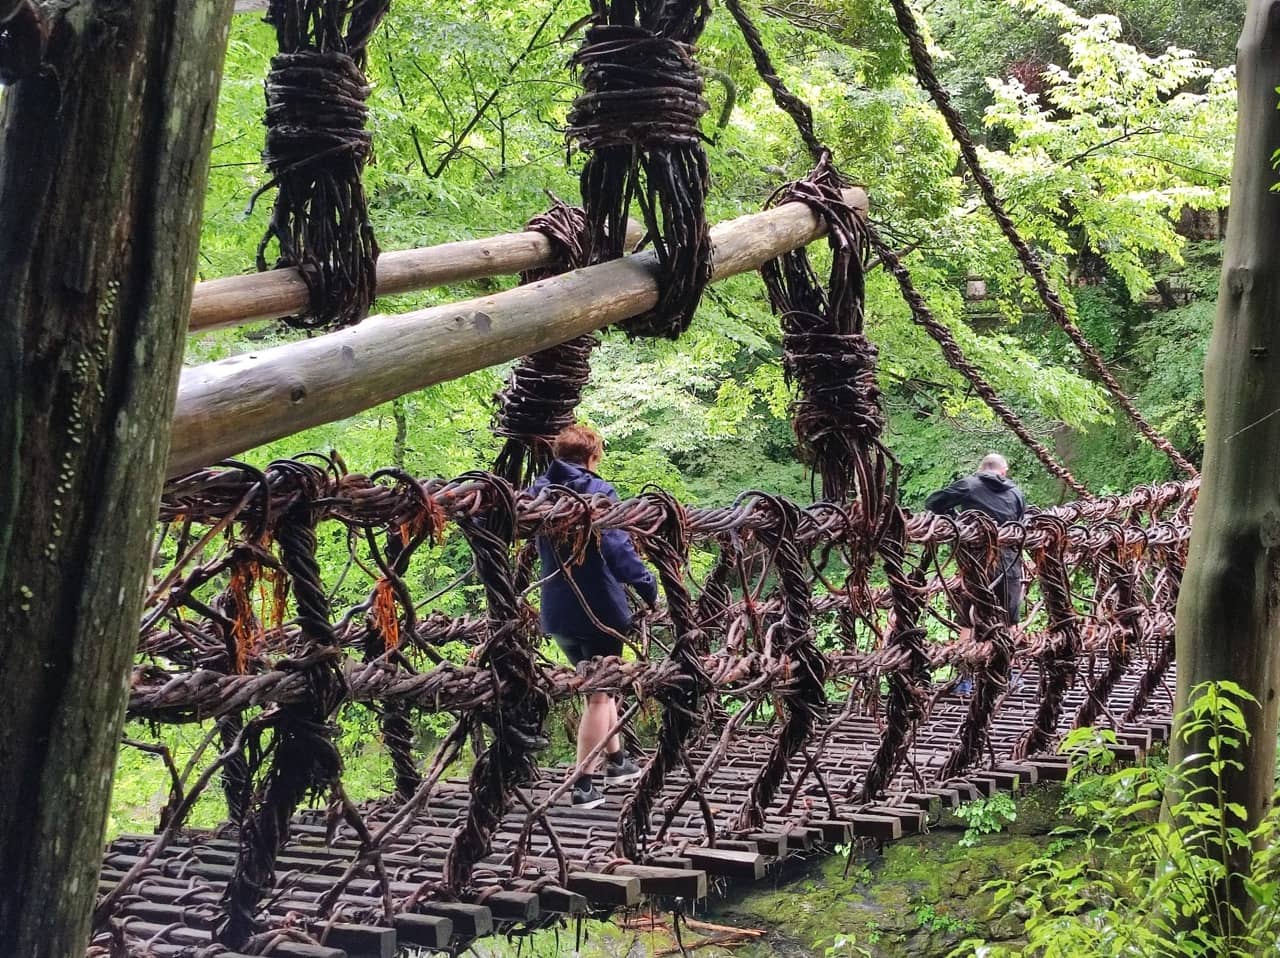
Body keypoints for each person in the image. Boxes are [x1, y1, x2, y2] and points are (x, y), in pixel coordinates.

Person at [531, 424, 657, 808]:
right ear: (593, 456)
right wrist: (647, 586)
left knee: (600, 684)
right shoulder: (598, 493)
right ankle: (583, 782)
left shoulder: (536, 493)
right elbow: (618, 550)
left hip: (557, 609)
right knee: (598, 696)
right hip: (600, 607)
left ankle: (617, 761)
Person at [926, 454, 1027, 695]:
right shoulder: (1016, 492)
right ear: (1004, 471)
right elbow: (1020, 524)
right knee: (1009, 619)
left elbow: (933, 503)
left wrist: (957, 522)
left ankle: (965, 678)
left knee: (969, 618)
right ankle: (1008, 674)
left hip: (976, 561)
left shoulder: (968, 485)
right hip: (1008, 561)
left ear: (981, 469)